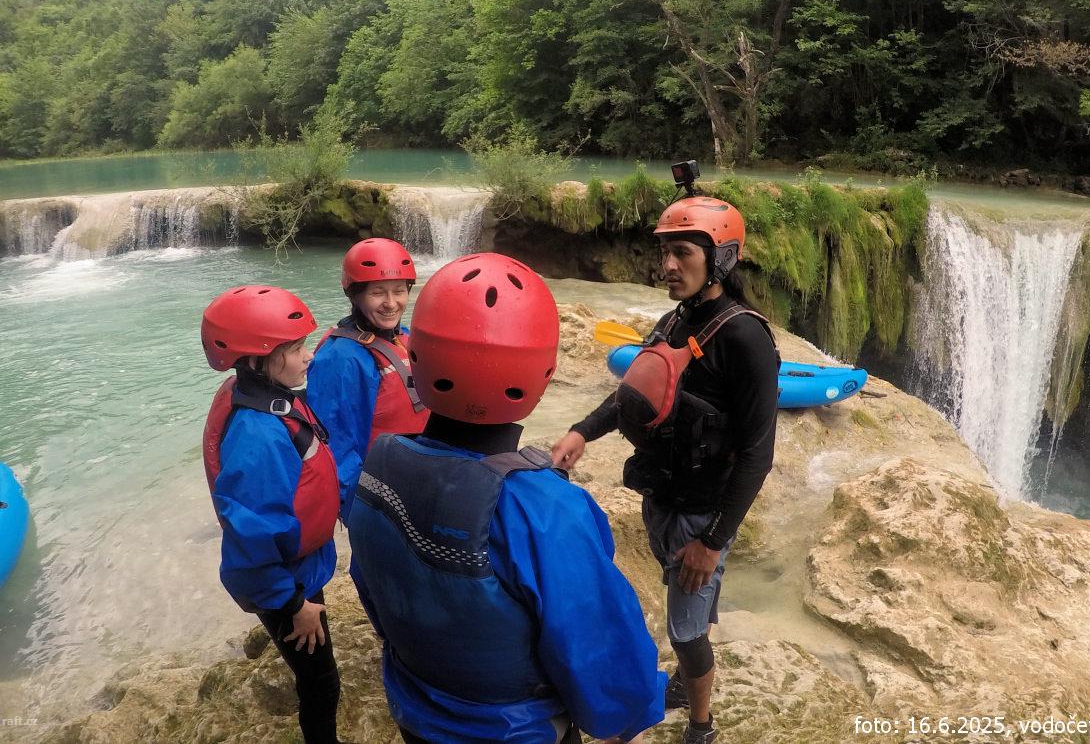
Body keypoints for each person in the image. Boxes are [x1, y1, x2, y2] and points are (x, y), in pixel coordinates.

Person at [345, 252, 665, 743]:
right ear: (542, 372)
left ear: (417, 356)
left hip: (416, 711)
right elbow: (599, 647)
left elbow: (371, 587)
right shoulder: (547, 508)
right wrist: (628, 717)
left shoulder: (379, 465)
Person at [552, 196, 779, 744]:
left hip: (702, 513)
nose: (668, 266)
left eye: (683, 253)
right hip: (662, 496)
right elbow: (632, 395)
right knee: (686, 603)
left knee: (685, 630)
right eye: (665, 253)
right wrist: (581, 432)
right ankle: (688, 673)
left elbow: (758, 455)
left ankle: (701, 725)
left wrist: (713, 542)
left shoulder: (746, 339)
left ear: (720, 259)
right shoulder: (673, 321)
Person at [200, 285, 343, 744]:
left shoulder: (263, 394)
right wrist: (293, 605)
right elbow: (250, 542)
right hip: (285, 584)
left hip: (297, 570)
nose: (308, 356)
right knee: (322, 683)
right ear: (257, 359)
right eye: (297, 348)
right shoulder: (258, 436)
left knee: (319, 673)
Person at [307, 237, 429, 516]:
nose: (391, 303)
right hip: (379, 502)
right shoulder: (341, 359)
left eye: (399, 291)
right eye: (377, 293)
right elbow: (336, 449)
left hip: (417, 487)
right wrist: (361, 513)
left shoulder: (404, 337)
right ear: (355, 295)